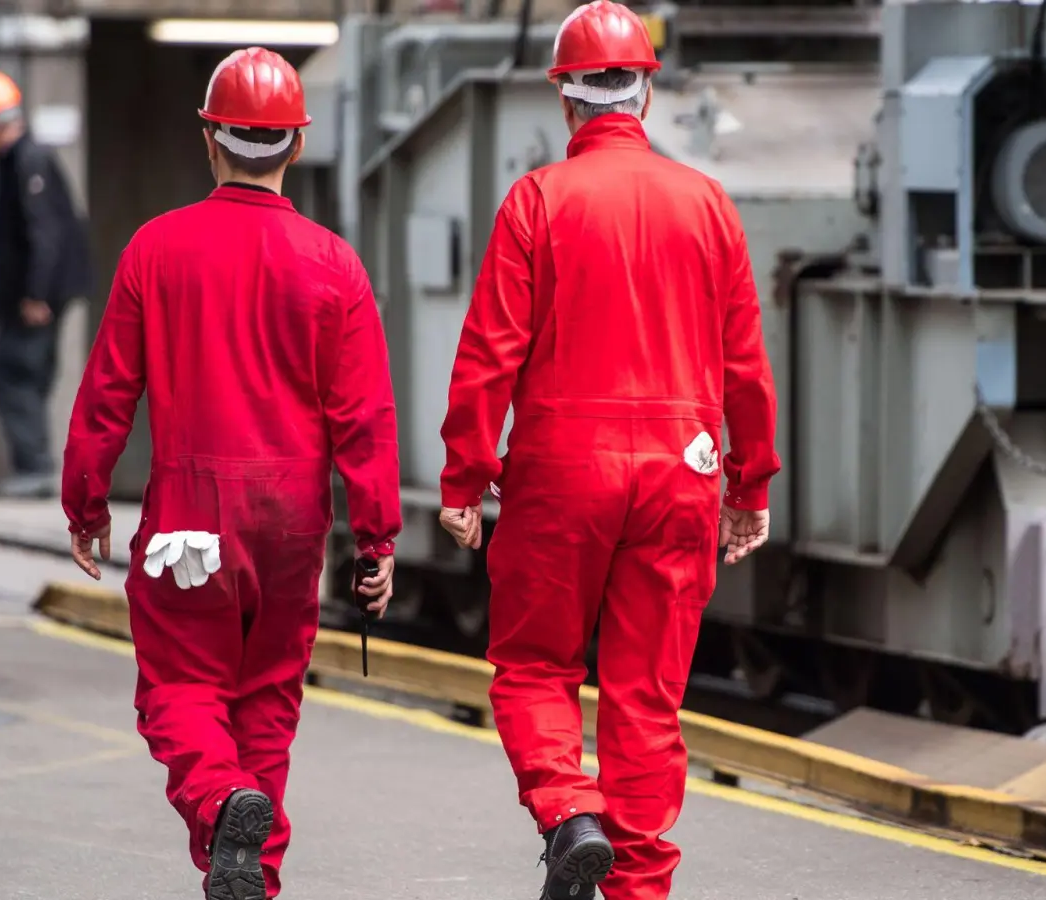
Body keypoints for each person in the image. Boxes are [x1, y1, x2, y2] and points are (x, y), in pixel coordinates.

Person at [436, 3, 780, 898]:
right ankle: (637, 887)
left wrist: (465, 476)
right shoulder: (707, 203)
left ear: (565, 99)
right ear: (646, 93)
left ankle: (568, 812)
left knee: (535, 667)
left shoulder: (538, 201)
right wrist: (751, 483)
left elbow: (489, 356)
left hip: (561, 472)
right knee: (646, 699)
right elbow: (745, 364)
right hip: (684, 470)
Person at [60, 47, 401, 900]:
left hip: (188, 512)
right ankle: (252, 873)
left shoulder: (156, 249)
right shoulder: (335, 266)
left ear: (210, 136)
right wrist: (377, 537)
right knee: (268, 704)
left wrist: (87, 503)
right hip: (292, 518)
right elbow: (365, 417)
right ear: (294, 146)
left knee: (179, 689)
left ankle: (221, 803)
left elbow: (109, 390)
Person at [0, 70, 93, 499]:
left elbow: (45, 233)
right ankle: (34, 466)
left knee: (10, 372)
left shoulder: (27, 161)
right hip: (30, 294)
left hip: (35, 297)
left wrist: (36, 294)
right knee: (26, 373)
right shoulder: (14, 162)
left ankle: (36, 468)